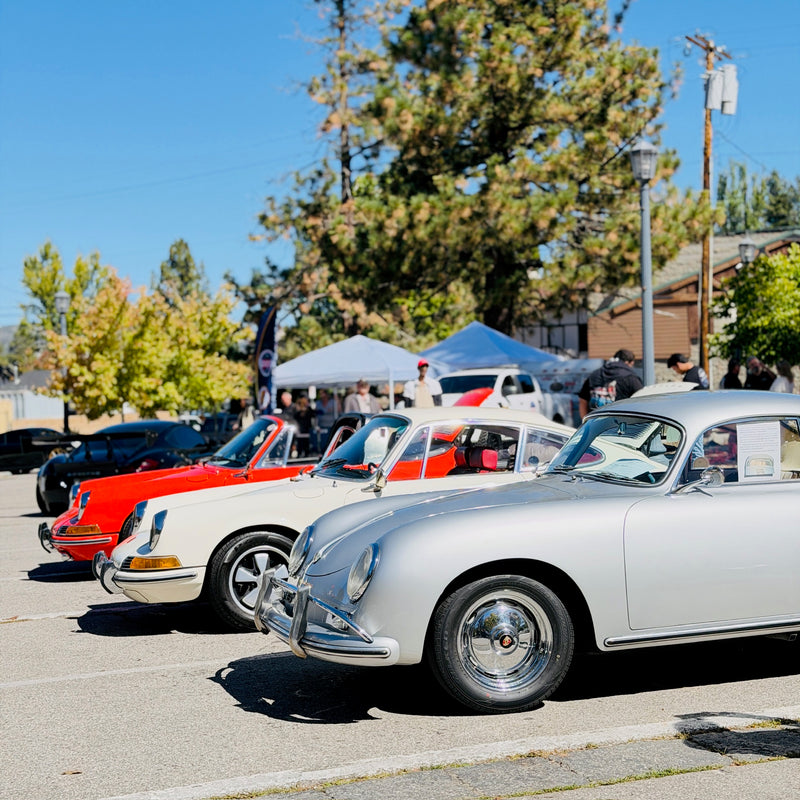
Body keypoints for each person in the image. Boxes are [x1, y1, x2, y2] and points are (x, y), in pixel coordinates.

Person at [577, 349, 644, 420]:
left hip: (595, 425)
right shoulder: (631, 378)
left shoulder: (594, 374)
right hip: (620, 425)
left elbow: (583, 401)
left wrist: (585, 422)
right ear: (630, 363)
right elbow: (642, 401)